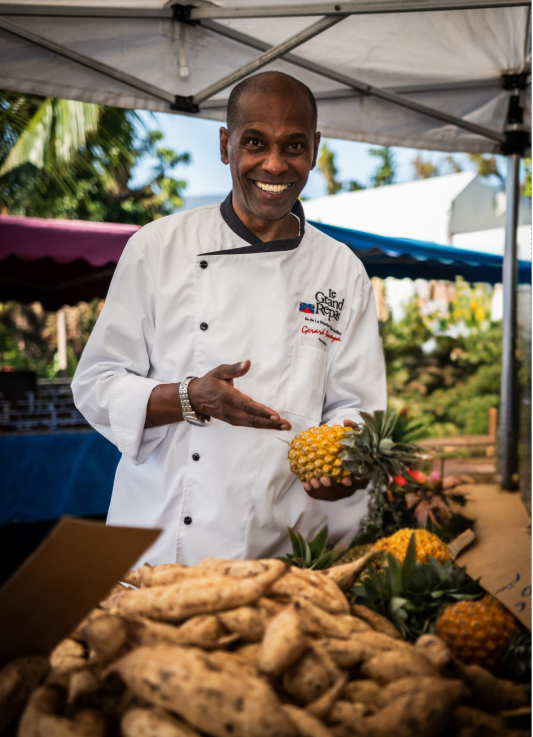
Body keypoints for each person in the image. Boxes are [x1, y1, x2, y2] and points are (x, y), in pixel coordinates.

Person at [72, 71, 387, 565]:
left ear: (315, 151)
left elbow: (358, 407)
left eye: (294, 146)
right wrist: (188, 397)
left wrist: (345, 469)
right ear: (226, 145)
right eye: (255, 142)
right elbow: (96, 384)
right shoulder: (157, 247)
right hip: (161, 544)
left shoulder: (342, 271)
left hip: (280, 552)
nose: (275, 164)